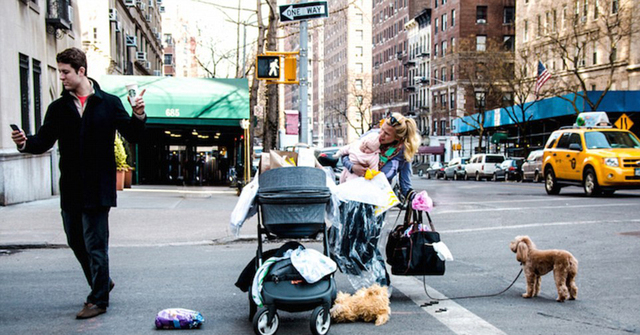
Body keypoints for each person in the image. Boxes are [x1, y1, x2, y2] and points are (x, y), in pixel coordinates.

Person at [10, 47, 147, 319]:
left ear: (81, 71)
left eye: (65, 72)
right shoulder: (58, 108)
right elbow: (44, 140)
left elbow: (134, 134)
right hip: (71, 187)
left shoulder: (108, 103)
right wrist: (25, 143)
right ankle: (102, 282)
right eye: (60, 71)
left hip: (99, 187)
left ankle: (98, 300)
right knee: (76, 241)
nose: (61, 77)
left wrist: (139, 114)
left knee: (96, 245)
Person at [331, 112, 420, 289]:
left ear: (398, 138)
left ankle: (380, 286)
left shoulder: (402, 154)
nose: (381, 135)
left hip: (375, 204)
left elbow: (405, 186)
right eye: (382, 130)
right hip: (352, 198)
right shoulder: (370, 137)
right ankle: (334, 284)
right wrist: (353, 167)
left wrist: (416, 198)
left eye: (387, 134)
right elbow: (346, 154)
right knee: (343, 244)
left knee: (369, 246)